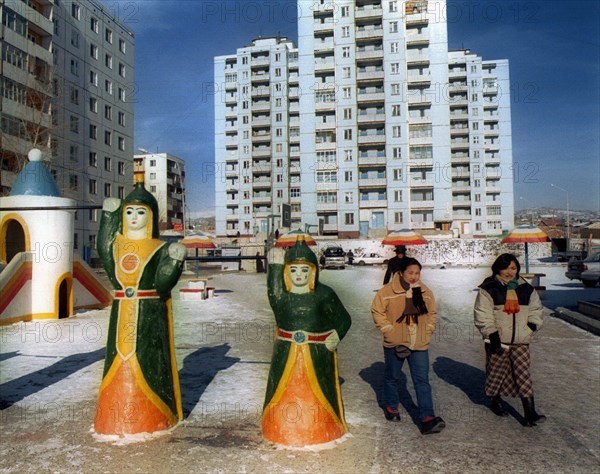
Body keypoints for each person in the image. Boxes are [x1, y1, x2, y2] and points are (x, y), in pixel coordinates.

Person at [94, 176, 186, 436]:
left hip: (149, 314)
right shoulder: (117, 245)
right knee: (117, 359)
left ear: (152, 216)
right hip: (122, 309)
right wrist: (108, 216)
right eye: (129, 212)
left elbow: (161, 284)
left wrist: (174, 263)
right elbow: (103, 246)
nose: (134, 217)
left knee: (150, 359)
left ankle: (155, 413)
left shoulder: (159, 248)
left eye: (140, 212)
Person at [262, 236, 352, 446]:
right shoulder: (282, 296)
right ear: (286, 272)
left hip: (317, 352)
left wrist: (336, 335)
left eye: (304, 270)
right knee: (282, 394)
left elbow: (344, 319)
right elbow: (273, 291)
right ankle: (279, 429)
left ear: (313, 271)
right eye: (293, 270)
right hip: (286, 352)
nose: (299, 275)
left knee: (318, 395)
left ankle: (323, 429)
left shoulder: (324, 294)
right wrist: (274, 265)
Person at [371, 257, 445, 435]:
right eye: (410, 273)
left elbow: (432, 313)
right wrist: (390, 331)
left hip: (419, 343)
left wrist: (428, 330)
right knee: (392, 377)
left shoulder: (424, 291)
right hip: (396, 342)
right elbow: (377, 311)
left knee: (422, 380)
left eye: (417, 273)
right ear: (401, 273)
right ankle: (391, 406)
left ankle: (427, 417)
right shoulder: (387, 292)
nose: (414, 277)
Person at [474, 253, 546, 427]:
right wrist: (492, 334)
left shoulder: (526, 289)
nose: (509, 272)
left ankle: (530, 413)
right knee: (496, 373)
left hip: (521, 341)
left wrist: (532, 326)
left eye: (513, 268)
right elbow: (483, 314)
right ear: (498, 269)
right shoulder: (489, 288)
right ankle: (495, 400)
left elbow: (536, 310)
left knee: (523, 375)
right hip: (498, 340)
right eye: (505, 268)